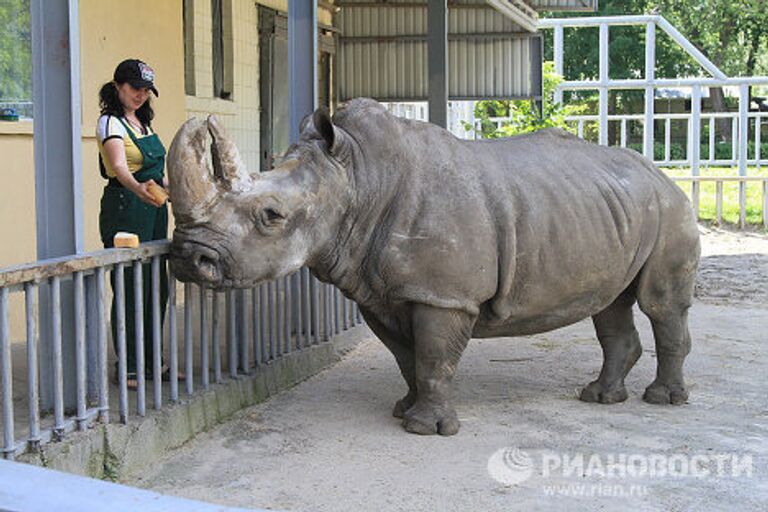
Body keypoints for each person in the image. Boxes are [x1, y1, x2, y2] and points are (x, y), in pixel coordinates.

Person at [97, 59, 179, 389]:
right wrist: (139, 190)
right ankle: (129, 366)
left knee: (155, 285)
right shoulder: (110, 123)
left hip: (154, 209)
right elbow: (119, 166)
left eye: (146, 91)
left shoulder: (144, 124)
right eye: (135, 89)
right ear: (118, 86)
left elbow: (157, 175)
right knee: (131, 285)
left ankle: (153, 362)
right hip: (125, 207)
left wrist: (177, 195)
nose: (141, 96)